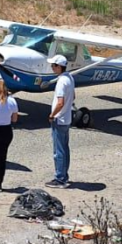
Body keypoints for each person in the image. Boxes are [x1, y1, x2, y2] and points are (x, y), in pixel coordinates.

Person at [45, 55, 75, 189]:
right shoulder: (69, 78)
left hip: (60, 119)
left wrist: (52, 114)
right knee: (64, 148)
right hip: (66, 118)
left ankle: (60, 178)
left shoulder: (62, 81)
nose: (52, 67)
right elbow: (73, 96)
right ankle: (63, 175)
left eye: (53, 65)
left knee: (59, 151)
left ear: (59, 66)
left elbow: (60, 102)